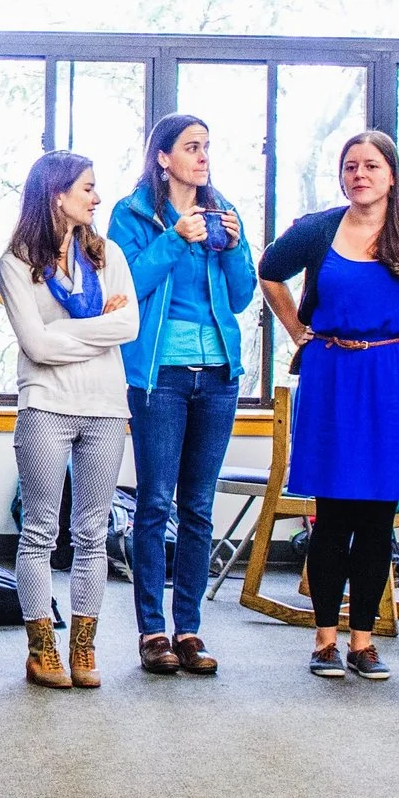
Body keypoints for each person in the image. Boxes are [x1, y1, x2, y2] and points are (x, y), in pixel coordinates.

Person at [261, 131, 399, 681]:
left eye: (371, 166)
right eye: (351, 166)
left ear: (392, 174)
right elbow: (269, 271)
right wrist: (295, 329)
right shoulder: (318, 229)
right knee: (331, 516)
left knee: (379, 520)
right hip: (332, 372)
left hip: (394, 375)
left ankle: (363, 641)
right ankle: (325, 640)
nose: (360, 174)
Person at [112, 114, 256, 677]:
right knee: (154, 503)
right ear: (163, 158)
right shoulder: (133, 214)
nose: (203, 157)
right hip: (158, 375)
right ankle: (152, 631)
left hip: (218, 374)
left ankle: (189, 628)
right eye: (192, 147)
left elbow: (241, 296)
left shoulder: (225, 213)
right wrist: (175, 238)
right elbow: (130, 283)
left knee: (197, 507)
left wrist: (236, 248)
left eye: (207, 147)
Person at [0, 152, 137, 690]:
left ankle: (83, 648)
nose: (96, 198)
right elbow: (34, 345)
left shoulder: (107, 254)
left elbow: (129, 326)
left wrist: (70, 336)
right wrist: (97, 322)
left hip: (105, 406)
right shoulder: (16, 262)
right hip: (45, 405)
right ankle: (42, 650)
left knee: (92, 534)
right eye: (88, 188)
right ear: (57, 194)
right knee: (39, 533)